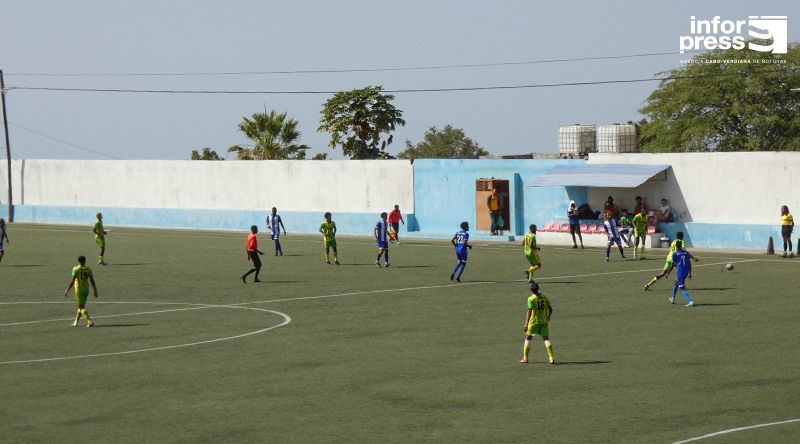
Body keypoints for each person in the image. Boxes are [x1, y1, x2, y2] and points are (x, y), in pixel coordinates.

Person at [519, 282, 554, 365]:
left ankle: (525, 358)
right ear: (538, 289)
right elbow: (551, 309)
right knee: (546, 339)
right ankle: (551, 358)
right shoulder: (544, 296)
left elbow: (529, 312)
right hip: (544, 321)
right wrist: (548, 316)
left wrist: (526, 324)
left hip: (534, 322)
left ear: (531, 290)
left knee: (528, 338)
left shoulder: (531, 299)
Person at [63, 255, 99, 327]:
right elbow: (92, 280)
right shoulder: (88, 269)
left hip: (79, 290)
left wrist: (67, 290)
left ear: (78, 261)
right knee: (80, 306)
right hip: (86, 289)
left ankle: (89, 321)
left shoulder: (75, 269)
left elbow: (73, 281)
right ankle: (76, 322)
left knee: (81, 307)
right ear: (85, 261)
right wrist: (95, 290)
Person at [665, 240, 695, 307]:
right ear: (681, 245)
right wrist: (689, 273)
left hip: (680, 273)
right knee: (676, 283)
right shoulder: (686, 253)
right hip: (685, 272)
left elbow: (672, 265)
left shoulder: (675, 254)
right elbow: (689, 264)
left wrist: (667, 274)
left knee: (682, 288)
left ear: (676, 246)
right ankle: (672, 298)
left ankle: (690, 301)